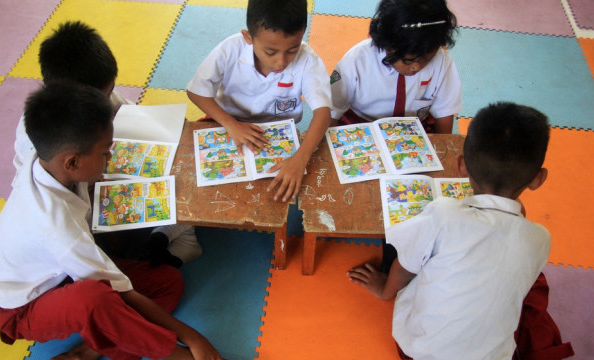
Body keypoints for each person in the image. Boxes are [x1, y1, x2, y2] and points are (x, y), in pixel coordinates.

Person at [0, 81, 222, 360]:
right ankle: (177, 357)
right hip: (24, 307)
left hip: (60, 274)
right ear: (71, 162)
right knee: (96, 300)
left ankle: (91, 350)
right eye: (106, 152)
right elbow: (123, 294)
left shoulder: (48, 162)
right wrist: (194, 339)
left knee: (167, 282)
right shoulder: (56, 226)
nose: (111, 157)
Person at [348, 102, 552, 359]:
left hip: (419, 351)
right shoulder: (540, 238)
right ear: (538, 178)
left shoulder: (444, 213)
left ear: (461, 165)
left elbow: (405, 266)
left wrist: (385, 290)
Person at [12, 20, 201, 267]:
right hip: (82, 207)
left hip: (101, 176)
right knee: (168, 202)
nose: (107, 100)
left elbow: (136, 115)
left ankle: (164, 240)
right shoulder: (39, 143)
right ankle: (155, 246)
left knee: (184, 184)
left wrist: (172, 128)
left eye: (109, 91)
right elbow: (63, 205)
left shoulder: (98, 96)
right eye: (101, 96)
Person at [186, 0, 332, 202]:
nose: (281, 62)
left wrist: (301, 158)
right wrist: (231, 125)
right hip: (226, 122)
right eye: (270, 52)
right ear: (248, 37)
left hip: (277, 132)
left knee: (278, 189)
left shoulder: (308, 59)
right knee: (202, 176)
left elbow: (323, 112)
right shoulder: (230, 49)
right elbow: (196, 91)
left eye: (292, 50)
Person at [330, 0, 461, 134]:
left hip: (415, 129)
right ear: (388, 45)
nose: (416, 67)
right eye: (408, 60)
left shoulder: (442, 62)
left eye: (426, 59)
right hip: (361, 126)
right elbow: (331, 113)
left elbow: (444, 114)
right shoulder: (356, 61)